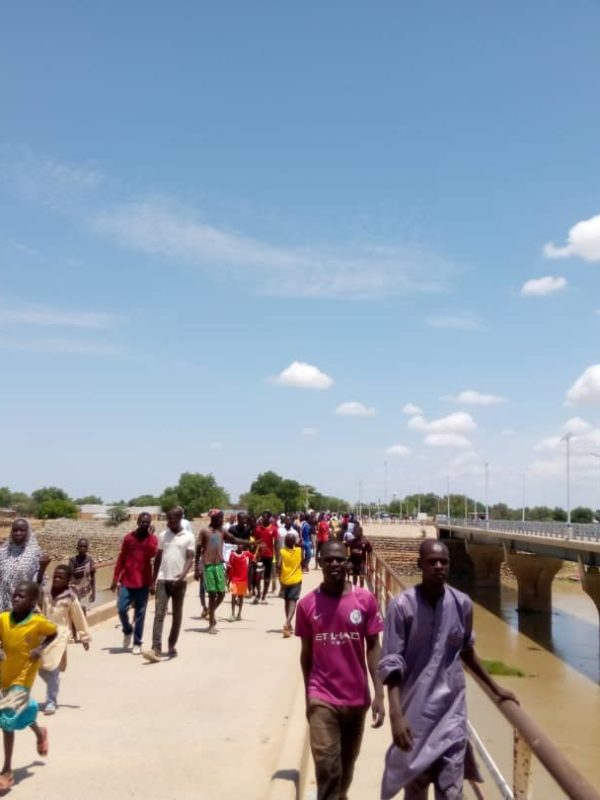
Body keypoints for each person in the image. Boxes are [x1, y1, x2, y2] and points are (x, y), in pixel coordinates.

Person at [378, 540, 518, 800]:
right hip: (415, 714)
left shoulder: (462, 603)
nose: (439, 566)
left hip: (451, 712)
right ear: (420, 564)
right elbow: (391, 661)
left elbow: (467, 651)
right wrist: (396, 714)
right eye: (432, 561)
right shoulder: (401, 606)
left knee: (451, 790)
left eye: (444, 562)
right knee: (416, 784)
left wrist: (495, 687)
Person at [295, 540, 385, 800]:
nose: (334, 564)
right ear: (320, 563)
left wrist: (379, 693)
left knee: (346, 769)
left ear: (347, 563)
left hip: (357, 699)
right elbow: (306, 654)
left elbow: (373, 648)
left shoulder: (364, 600)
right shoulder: (307, 605)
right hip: (322, 697)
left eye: (339, 559)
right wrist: (308, 694)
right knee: (328, 770)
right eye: (328, 560)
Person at [0, 581, 58, 790]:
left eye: (21, 596)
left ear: (32, 601)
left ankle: (6, 770)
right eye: (15, 595)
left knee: (6, 719)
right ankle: (40, 732)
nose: (15, 598)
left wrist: (40, 648)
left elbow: (53, 632)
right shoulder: (3, 618)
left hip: (24, 677)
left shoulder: (37, 621)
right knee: (19, 710)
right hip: (5, 675)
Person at [144, 508, 195, 662]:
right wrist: (153, 581)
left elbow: (190, 558)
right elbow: (158, 558)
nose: (168, 522)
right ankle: (156, 649)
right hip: (163, 579)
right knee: (159, 614)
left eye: (172, 519)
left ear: (179, 518)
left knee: (177, 615)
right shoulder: (163, 536)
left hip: (179, 582)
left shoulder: (189, 537)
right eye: (168, 519)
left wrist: (183, 574)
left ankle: (171, 645)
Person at [39, 565, 90, 715]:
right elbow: (39, 611)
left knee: (54, 668)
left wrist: (84, 636)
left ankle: (51, 701)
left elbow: (78, 617)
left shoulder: (70, 598)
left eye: (61, 577)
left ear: (68, 580)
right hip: (43, 635)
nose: (56, 579)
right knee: (41, 668)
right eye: (55, 576)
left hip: (60, 636)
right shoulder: (45, 593)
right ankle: (53, 684)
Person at [197, 510, 252, 634]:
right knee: (212, 595)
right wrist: (197, 567)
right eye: (221, 519)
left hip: (219, 565)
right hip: (208, 566)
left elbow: (235, 540)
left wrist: (251, 543)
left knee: (221, 594)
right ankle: (211, 623)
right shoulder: (204, 532)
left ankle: (211, 612)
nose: (222, 521)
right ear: (214, 519)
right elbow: (198, 549)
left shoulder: (222, 531)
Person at [111, 512, 158, 655]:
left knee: (140, 613)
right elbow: (121, 558)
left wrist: (152, 584)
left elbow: (152, 554)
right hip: (127, 580)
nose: (145, 524)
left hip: (143, 581)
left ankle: (137, 642)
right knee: (121, 608)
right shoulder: (128, 539)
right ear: (137, 522)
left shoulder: (153, 539)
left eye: (147, 522)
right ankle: (127, 630)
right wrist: (115, 578)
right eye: (142, 522)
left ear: (150, 524)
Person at [0, 519, 50, 612]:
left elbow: (38, 584)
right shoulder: (3, 553)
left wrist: (42, 568)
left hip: (23, 606)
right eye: (15, 530)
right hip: (3, 604)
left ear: (28, 532)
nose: (18, 533)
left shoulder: (35, 554)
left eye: (22, 530)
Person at [279, 533, 302, 637]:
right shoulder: (299, 551)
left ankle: (288, 623)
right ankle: (287, 623)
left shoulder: (282, 552)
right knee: (293, 601)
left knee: (287, 601)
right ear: (294, 542)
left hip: (284, 580)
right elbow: (304, 559)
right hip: (296, 579)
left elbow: (279, 565)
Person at [254, 511, 278, 602]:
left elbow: (275, 544)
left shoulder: (274, 529)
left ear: (269, 518)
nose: (264, 519)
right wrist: (257, 551)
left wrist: (277, 556)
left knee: (267, 577)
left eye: (266, 517)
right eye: (263, 517)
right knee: (258, 576)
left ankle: (264, 595)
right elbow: (256, 542)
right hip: (260, 556)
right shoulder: (257, 529)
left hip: (269, 556)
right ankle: (258, 594)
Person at [68, 537, 96, 615]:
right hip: (74, 591)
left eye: (85, 546)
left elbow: (93, 577)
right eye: (81, 546)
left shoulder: (90, 561)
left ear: (87, 548)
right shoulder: (72, 561)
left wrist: (93, 592)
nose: (82, 548)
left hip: (85, 591)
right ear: (77, 548)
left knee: (83, 611)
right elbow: (69, 576)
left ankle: (83, 626)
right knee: (74, 612)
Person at [227, 543, 251, 622]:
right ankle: (233, 613)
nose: (240, 546)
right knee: (233, 596)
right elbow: (229, 566)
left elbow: (254, 558)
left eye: (242, 545)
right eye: (239, 545)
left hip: (243, 579)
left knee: (241, 597)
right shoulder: (232, 554)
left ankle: (239, 614)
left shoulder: (246, 554)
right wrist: (228, 579)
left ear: (243, 547)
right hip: (235, 579)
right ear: (237, 546)